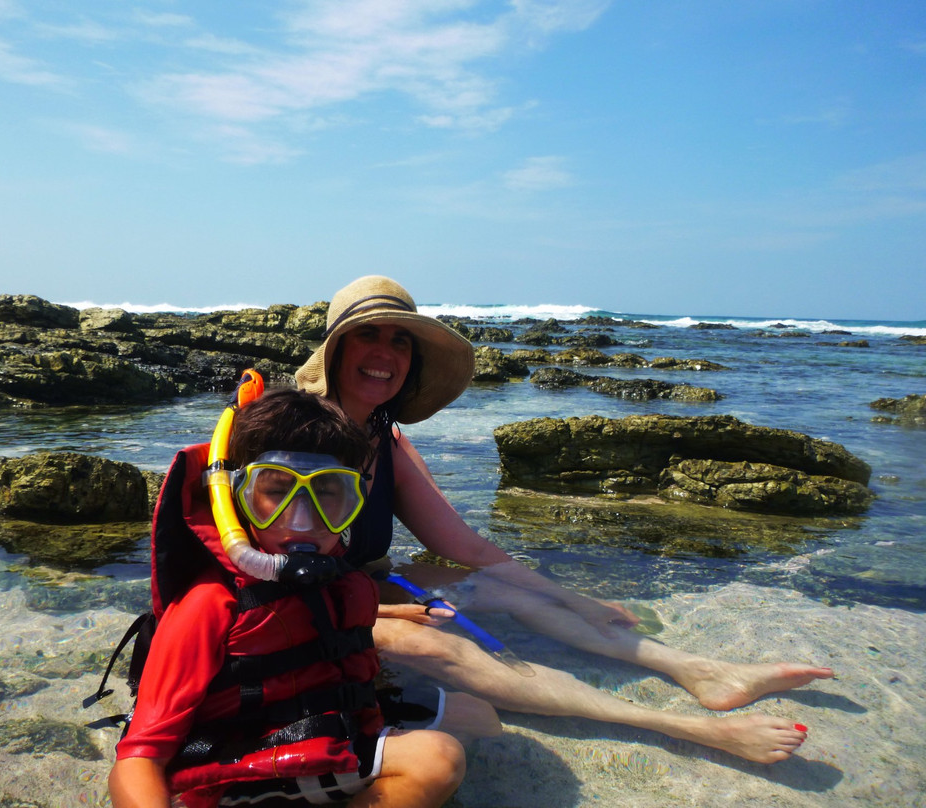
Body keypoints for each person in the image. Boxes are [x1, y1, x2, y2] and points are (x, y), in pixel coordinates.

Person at [296, 275, 835, 764]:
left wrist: (575, 599)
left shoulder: (385, 439)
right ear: (337, 349)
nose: (384, 354)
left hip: (372, 580)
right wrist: (393, 620)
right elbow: (264, 572)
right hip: (310, 606)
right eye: (369, 335)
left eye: (400, 341)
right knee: (440, 645)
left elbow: (464, 546)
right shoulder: (296, 437)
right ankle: (682, 726)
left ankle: (695, 669)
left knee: (510, 590)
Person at [108, 389, 472, 808]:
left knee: (476, 716)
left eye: (328, 492)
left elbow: (316, 620)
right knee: (438, 758)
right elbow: (139, 757)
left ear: (355, 502)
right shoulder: (208, 605)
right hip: (240, 768)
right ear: (238, 499)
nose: (302, 521)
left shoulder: (342, 579)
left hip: (323, 735)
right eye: (277, 491)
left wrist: (394, 610)